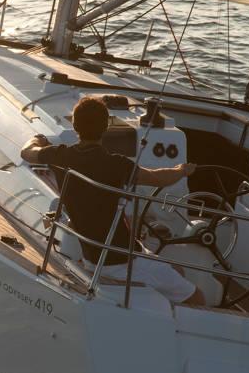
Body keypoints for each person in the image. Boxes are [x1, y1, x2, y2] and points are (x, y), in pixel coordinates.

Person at [21, 96, 205, 306]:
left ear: (75, 126)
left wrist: (37, 139)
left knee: (176, 270)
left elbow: (26, 152)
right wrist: (181, 170)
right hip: (122, 260)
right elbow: (157, 178)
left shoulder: (59, 155)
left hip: (94, 256)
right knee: (197, 296)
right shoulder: (116, 164)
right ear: (106, 126)